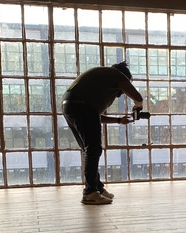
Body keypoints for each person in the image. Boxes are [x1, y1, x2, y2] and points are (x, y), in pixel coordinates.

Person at [62, 61, 144, 205]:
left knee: (89, 149)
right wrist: (138, 106)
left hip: (69, 106)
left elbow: (95, 117)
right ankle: (90, 192)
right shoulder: (116, 74)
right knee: (93, 149)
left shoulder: (98, 84)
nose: (122, 92)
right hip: (81, 107)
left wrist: (119, 120)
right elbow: (138, 97)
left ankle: (97, 188)